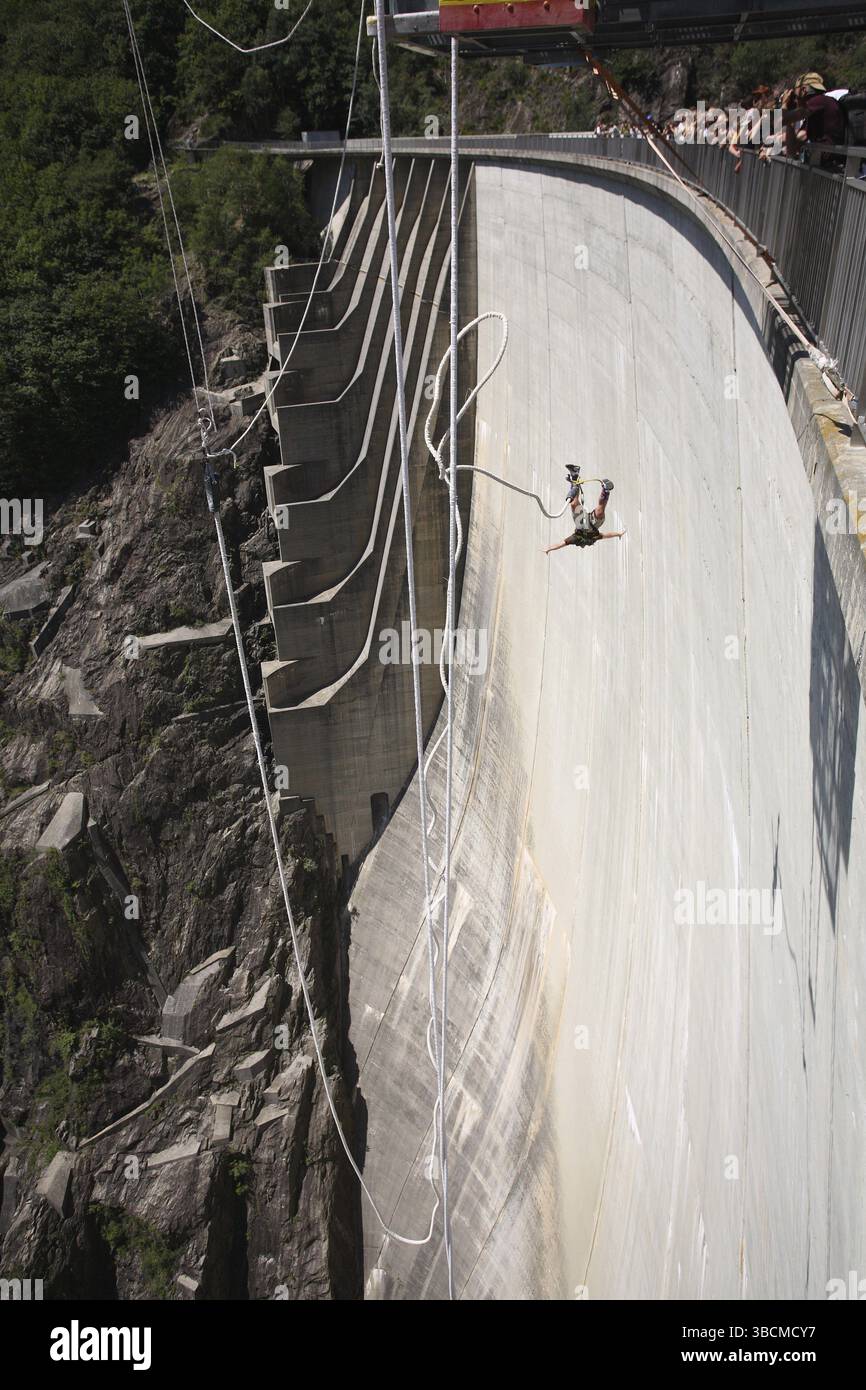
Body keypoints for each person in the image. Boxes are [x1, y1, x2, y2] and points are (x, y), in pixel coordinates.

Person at [546, 471, 625, 554]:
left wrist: (549, 549)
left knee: (574, 504)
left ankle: (575, 480)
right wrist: (618, 534)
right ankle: (605, 491)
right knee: (600, 511)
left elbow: (561, 544)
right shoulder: (595, 537)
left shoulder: (575, 538)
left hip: (581, 524)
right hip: (593, 524)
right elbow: (607, 535)